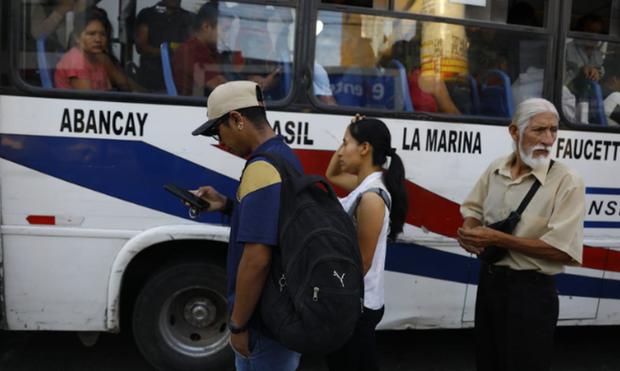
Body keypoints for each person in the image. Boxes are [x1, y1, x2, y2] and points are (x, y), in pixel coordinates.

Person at [457, 98, 585, 371]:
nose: (548, 139)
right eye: (539, 130)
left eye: (553, 130)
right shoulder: (496, 168)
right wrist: (469, 232)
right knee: (488, 361)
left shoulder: (566, 181)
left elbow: (562, 250)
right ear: (514, 132)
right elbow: (473, 209)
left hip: (531, 293)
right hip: (490, 284)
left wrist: (496, 239)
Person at [190, 81, 302, 371]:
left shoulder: (261, 169)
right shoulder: (283, 155)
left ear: (237, 119)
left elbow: (257, 259)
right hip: (282, 313)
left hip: (263, 324)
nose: (221, 141)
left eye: (218, 130)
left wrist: (238, 324)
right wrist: (227, 205)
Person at [325, 116, 408, 371]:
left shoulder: (372, 197)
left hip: (356, 307)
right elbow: (331, 174)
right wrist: (348, 133)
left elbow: (362, 261)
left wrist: (334, 299)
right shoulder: (367, 185)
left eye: (345, 143)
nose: (341, 151)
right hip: (355, 303)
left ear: (364, 148)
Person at [55, 12, 144, 92]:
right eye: (91, 34)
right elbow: (88, 100)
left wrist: (148, 94)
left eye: (102, 34)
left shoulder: (100, 58)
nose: (98, 39)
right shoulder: (76, 60)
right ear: (77, 38)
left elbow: (125, 84)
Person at [134, 0, 194, 91]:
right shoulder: (147, 15)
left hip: (182, 82)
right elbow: (141, 47)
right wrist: (167, 52)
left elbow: (195, 47)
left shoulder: (190, 18)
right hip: (150, 82)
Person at [172, 2, 226, 96]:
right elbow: (222, 88)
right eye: (225, 29)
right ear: (206, 27)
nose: (228, 35)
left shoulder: (209, 49)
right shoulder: (193, 51)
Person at [565, 14, 606, 95]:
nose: (595, 36)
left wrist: (598, 74)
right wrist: (580, 71)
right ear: (580, 31)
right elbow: (559, 81)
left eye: (598, 33)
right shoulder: (567, 49)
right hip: (569, 96)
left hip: (591, 97)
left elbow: (601, 74)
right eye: (591, 31)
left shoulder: (597, 53)